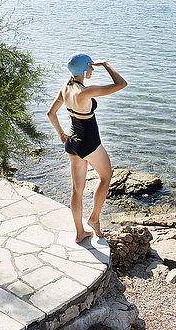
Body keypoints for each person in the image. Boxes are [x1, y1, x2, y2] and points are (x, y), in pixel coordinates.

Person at [47, 53, 127, 243]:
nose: (92, 69)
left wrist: (61, 134)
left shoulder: (65, 88)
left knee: (77, 190)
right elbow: (121, 84)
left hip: (72, 142)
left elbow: (51, 113)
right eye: (90, 66)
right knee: (106, 176)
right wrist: (106, 65)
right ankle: (94, 219)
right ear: (84, 69)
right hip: (89, 142)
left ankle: (79, 233)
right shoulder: (85, 92)